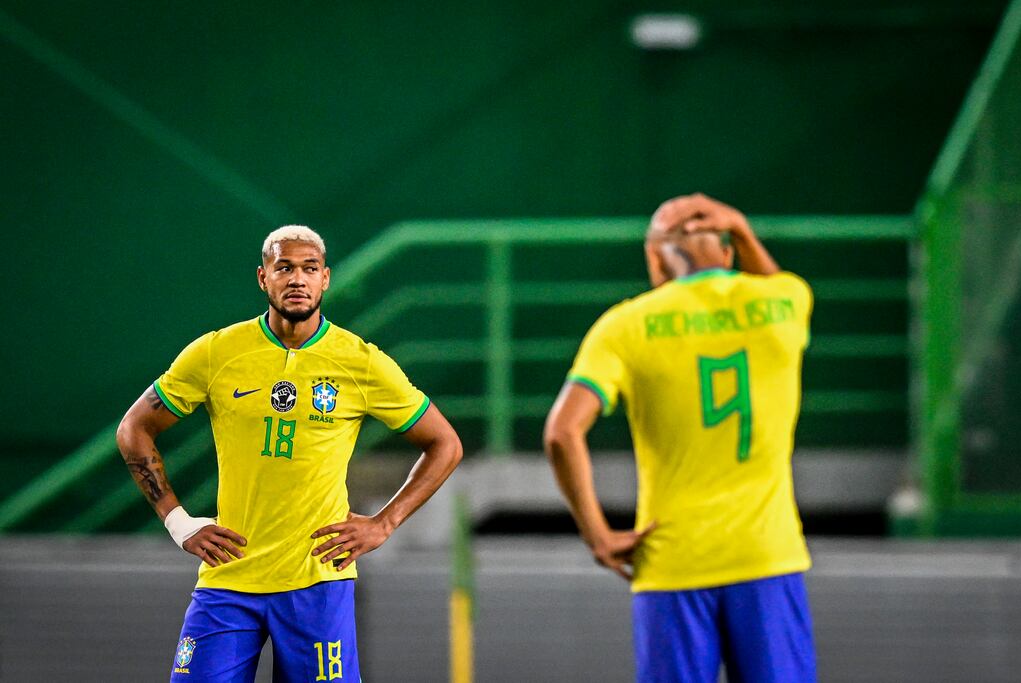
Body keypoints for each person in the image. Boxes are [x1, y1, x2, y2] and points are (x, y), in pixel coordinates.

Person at [116, 225, 462, 682]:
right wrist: (178, 522)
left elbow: (445, 444)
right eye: (284, 268)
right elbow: (134, 428)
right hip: (229, 576)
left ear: (326, 279)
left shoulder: (362, 362)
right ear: (263, 278)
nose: (296, 279)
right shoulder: (218, 352)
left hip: (317, 580)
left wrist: (385, 522)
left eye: (308, 268)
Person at [544, 194, 816, 682]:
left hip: (671, 563)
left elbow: (562, 433)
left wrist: (598, 534)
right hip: (766, 556)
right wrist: (741, 225)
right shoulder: (785, 302)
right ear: (730, 251)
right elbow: (769, 281)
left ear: (654, 257)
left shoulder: (623, 327)